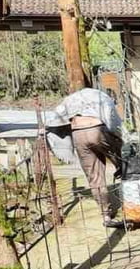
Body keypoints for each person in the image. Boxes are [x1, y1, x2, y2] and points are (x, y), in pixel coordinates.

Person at [45, 88, 125, 227]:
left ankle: (106, 215)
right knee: (124, 159)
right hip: (97, 129)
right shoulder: (102, 97)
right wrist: (121, 139)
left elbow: (54, 117)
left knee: (94, 177)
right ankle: (124, 177)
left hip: (78, 134)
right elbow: (113, 123)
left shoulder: (72, 98)